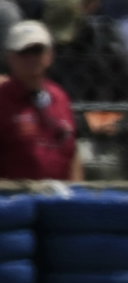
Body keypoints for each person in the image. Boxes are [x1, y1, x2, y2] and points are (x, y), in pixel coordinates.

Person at [0, 21, 81, 181]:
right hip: (14, 199)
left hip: (60, 197)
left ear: (49, 56)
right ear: (10, 58)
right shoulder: (3, 99)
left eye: (37, 51)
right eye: (24, 52)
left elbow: (73, 152)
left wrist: (77, 194)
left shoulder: (60, 97)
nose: (31, 58)